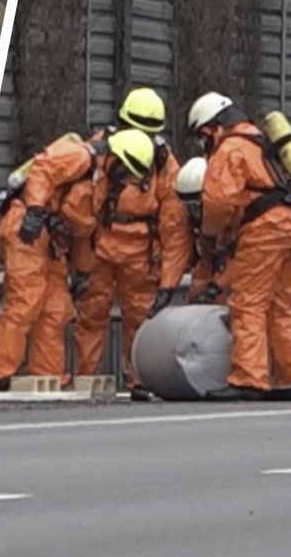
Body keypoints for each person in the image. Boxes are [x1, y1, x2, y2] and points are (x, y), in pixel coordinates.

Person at [0, 131, 150, 390]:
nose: (125, 180)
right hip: (27, 228)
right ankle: (3, 374)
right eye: (125, 172)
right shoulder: (81, 156)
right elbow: (43, 168)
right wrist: (35, 210)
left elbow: (84, 231)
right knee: (25, 301)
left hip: (53, 241)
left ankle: (46, 374)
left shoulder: (105, 186)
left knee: (56, 309)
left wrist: (83, 272)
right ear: (115, 158)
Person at [186, 91, 291, 401]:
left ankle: (248, 379)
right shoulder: (264, 144)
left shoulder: (230, 148)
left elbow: (219, 204)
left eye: (202, 138)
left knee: (249, 302)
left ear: (211, 129)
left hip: (268, 227)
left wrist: (210, 233)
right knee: (281, 304)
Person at [74, 89, 193, 402]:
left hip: (137, 251)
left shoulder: (163, 164)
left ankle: (139, 379)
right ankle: (87, 379)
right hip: (102, 245)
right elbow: (78, 202)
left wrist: (168, 282)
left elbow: (175, 226)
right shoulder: (101, 150)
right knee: (91, 314)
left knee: (138, 318)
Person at [175, 156, 229, 304]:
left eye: (197, 206)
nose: (194, 212)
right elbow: (205, 266)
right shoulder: (201, 231)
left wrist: (216, 288)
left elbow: (241, 263)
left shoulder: (232, 223)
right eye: (190, 207)